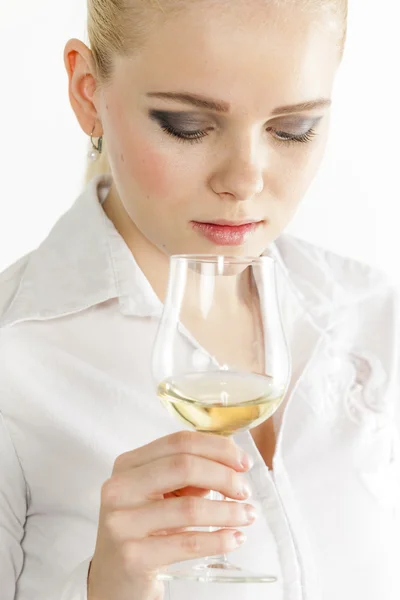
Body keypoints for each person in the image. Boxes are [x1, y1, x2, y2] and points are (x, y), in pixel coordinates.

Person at [0, 0, 399, 599]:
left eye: (293, 129)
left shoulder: (376, 315)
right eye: (187, 125)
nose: (245, 179)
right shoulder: (16, 359)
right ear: (88, 93)